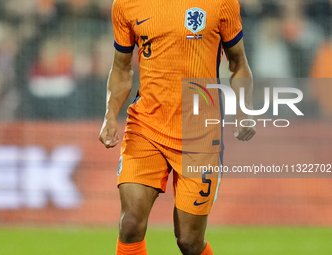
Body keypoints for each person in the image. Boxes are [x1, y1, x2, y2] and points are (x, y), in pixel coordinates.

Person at [99, 0, 256, 254]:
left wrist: (244, 110)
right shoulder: (126, 4)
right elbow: (121, 68)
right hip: (146, 126)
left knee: (188, 241)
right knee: (129, 224)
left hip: (200, 135)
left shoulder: (222, 3)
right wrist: (109, 115)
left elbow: (238, 63)